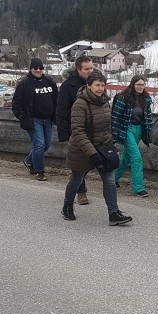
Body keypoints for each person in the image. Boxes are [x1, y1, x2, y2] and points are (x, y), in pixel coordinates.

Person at [61, 70, 132, 225]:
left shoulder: (105, 102)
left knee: (110, 180)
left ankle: (113, 213)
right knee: (77, 179)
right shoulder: (80, 104)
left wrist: (110, 144)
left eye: (102, 85)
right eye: (97, 85)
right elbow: (78, 132)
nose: (100, 88)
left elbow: (107, 127)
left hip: (103, 148)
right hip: (81, 149)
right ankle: (67, 206)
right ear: (89, 85)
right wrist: (92, 153)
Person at [11, 57, 58, 181]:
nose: (38, 70)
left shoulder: (50, 82)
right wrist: (23, 117)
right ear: (31, 69)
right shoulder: (24, 84)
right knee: (39, 144)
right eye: (35, 68)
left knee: (46, 144)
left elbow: (56, 100)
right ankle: (39, 171)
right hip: (33, 120)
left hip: (48, 119)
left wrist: (56, 116)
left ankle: (29, 160)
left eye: (40, 68)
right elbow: (16, 103)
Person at [56, 55, 95, 204]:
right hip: (75, 130)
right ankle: (81, 192)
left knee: (89, 161)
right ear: (78, 70)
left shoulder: (95, 83)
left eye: (91, 68)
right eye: (86, 69)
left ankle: (75, 181)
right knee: (79, 162)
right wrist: (64, 134)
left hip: (93, 129)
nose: (90, 71)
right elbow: (61, 110)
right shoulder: (68, 86)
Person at [111, 75, 153, 197]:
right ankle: (138, 188)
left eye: (142, 84)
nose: (140, 87)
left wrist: (148, 131)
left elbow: (148, 117)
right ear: (133, 84)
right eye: (138, 84)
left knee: (126, 157)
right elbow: (115, 116)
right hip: (127, 129)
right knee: (136, 157)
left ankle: (113, 179)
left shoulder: (146, 99)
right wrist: (114, 133)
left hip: (139, 129)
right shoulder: (123, 97)